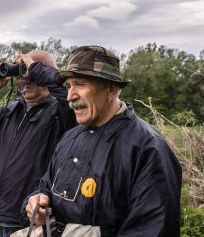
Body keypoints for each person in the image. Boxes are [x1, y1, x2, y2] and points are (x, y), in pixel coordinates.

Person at [24, 45, 182, 237]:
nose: (70, 96)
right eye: (68, 86)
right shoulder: (70, 138)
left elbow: (152, 230)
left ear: (111, 89)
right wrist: (37, 202)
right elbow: (45, 188)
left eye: (80, 84)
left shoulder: (148, 148)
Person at [0, 51, 77, 237]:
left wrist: (37, 70)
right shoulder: (12, 111)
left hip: (29, 223)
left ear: (45, 74)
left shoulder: (60, 113)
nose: (26, 80)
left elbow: (68, 93)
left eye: (31, 75)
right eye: (22, 75)